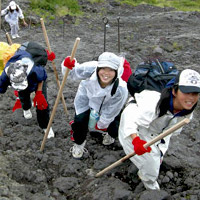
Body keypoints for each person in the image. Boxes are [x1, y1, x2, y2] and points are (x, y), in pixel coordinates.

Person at [118, 69, 200, 190]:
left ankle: (149, 163)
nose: (191, 98)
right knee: (151, 168)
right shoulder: (153, 103)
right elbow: (129, 116)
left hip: (158, 131)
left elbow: (170, 132)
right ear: (175, 91)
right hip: (139, 126)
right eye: (186, 92)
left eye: (195, 93)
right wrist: (136, 141)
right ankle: (149, 182)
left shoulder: (187, 112)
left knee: (156, 158)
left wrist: (158, 151)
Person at [62, 52, 129, 158]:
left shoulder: (121, 89)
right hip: (87, 99)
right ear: (98, 68)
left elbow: (112, 110)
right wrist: (68, 65)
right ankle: (79, 144)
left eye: (111, 70)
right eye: (103, 68)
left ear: (116, 71)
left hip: (108, 104)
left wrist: (102, 123)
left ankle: (110, 135)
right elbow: (72, 73)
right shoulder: (90, 68)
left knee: (114, 122)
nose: (106, 73)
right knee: (79, 121)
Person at [0, 44, 56, 138]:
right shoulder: (5, 75)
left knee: (42, 103)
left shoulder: (35, 69)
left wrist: (39, 94)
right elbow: (1, 88)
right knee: (23, 94)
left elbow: (41, 78)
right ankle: (26, 108)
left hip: (33, 68)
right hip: (24, 58)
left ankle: (45, 126)